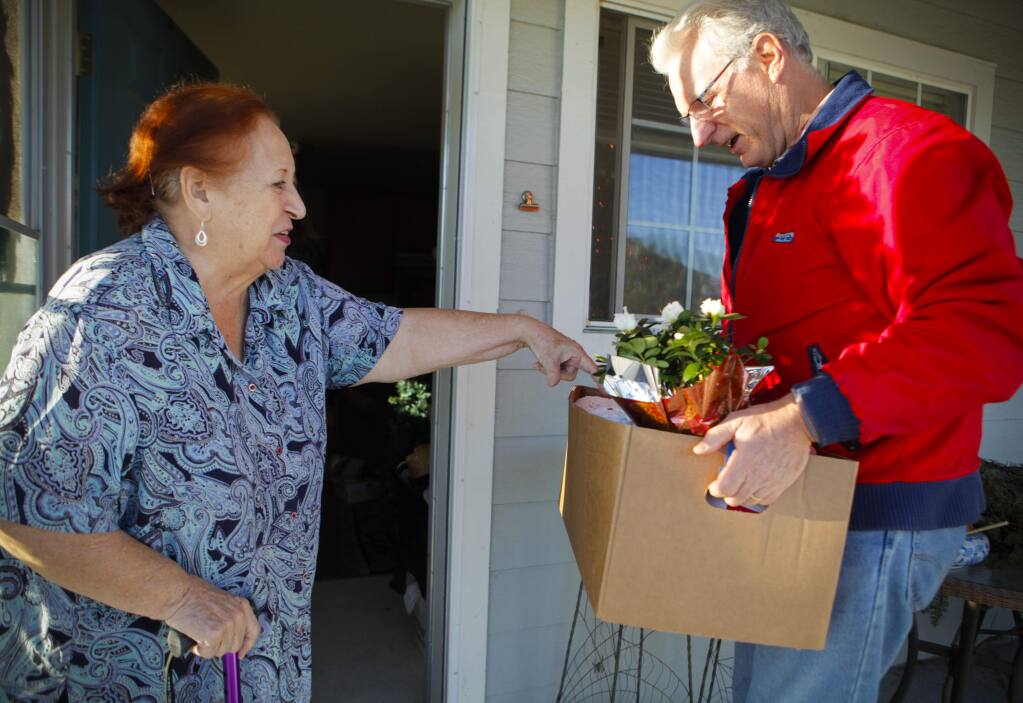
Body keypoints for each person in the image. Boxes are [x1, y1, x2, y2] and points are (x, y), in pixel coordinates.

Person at [0, 82, 595, 702]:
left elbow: (398, 339)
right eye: (278, 183)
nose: (300, 206)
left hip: (262, 669)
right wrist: (182, 597)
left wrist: (525, 331)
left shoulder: (286, 294)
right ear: (200, 189)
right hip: (122, 676)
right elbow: (26, 513)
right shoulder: (102, 311)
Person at [649, 1, 1023, 701]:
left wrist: (806, 416)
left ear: (767, 58)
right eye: (685, 115)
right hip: (794, 499)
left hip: (874, 512)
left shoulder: (905, 151)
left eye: (703, 101)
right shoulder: (767, 189)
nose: (698, 134)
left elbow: (983, 327)